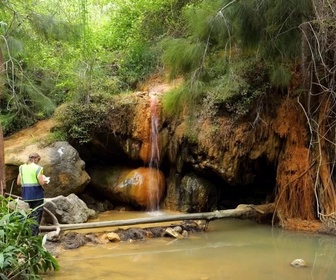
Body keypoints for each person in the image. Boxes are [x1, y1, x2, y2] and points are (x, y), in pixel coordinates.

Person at [17, 152, 48, 236]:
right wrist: (45, 180)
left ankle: (25, 234)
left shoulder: (21, 167)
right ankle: (33, 236)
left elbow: (18, 182)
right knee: (36, 216)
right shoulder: (38, 168)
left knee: (27, 215)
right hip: (37, 195)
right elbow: (41, 182)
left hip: (26, 195)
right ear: (37, 159)